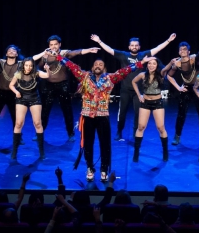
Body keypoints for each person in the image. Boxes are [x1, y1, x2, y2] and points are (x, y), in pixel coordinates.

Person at [56, 51, 155, 182]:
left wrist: (140, 63)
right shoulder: (84, 76)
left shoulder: (110, 78)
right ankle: (90, 168)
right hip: (87, 116)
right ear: (92, 67)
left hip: (103, 116)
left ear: (104, 68)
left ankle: (103, 169)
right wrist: (58, 56)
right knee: (88, 144)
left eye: (101, 64)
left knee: (105, 145)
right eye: (96, 64)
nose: (98, 66)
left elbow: (125, 71)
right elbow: (72, 66)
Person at [90, 33, 176, 141]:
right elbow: (110, 50)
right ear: (129, 47)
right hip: (125, 90)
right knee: (122, 113)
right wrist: (99, 41)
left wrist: (168, 40)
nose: (134, 47)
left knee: (138, 113)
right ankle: (119, 131)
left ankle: (136, 133)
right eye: (132, 45)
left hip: (138, 91)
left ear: (139, 47)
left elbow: (157, 48)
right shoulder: (123, 55)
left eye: (136, 45)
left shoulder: (144, 55)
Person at [35, 35, 100, 142]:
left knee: (67, 111)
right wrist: (43, 71)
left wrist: (88, 50)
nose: (53, 46)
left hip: (63, 86)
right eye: (51, 44)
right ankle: (39, 133)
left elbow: (76, 52)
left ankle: (71, 133)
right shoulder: (45, 56)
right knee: (45, 111)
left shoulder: (64, 53)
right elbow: (38, 67)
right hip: (48, 86)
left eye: (55, 44)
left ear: (59, 44)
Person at [160, 41, 199, 146]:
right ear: (178, 52)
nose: (182, 51)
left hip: (197, 88)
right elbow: (169, 76)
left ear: (189, 51)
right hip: (186, 89)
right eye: (181, 49)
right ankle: (177, 136)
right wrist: (178, 87)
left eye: (185, 49)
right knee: (181, 114)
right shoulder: (177, 63)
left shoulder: (194, 58)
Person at [9, 57, 50, 162]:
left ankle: (41, 152)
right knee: (18, 123)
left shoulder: (36, 73)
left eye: (31, 66)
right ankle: (14, 151)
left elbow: (47, 75)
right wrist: (16, 92)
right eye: (27, 65)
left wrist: (47, 69)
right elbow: (11, 85)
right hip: (21, 99)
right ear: (23, 65)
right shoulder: (18, 74)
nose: (28, 67)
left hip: (34, 98)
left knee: (37, 123)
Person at [131, 59, 168, 162]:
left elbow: (166, 69)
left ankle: (165, 151)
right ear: (147, 65)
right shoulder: (143, 75)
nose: (151, 65)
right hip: (145, 103)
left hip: (157, 103)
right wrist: (139, 95)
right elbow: (133, 81)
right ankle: (136, 152)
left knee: (161, 127)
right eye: (149, 63)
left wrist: (171, 63)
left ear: (157, 65)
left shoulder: (160, 74)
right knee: (141, 126)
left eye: (154, 64)